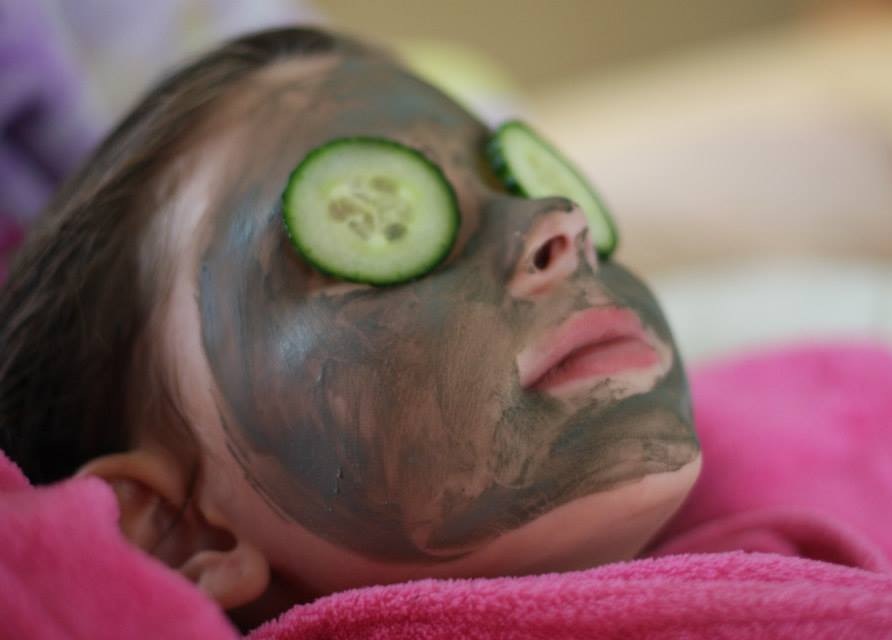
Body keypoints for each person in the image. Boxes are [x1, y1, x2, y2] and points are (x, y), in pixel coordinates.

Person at [0, 27, 700, 626]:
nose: (561, 220)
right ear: (180, 530)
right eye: (372, 230)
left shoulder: (802, 406)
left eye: (513, 180)